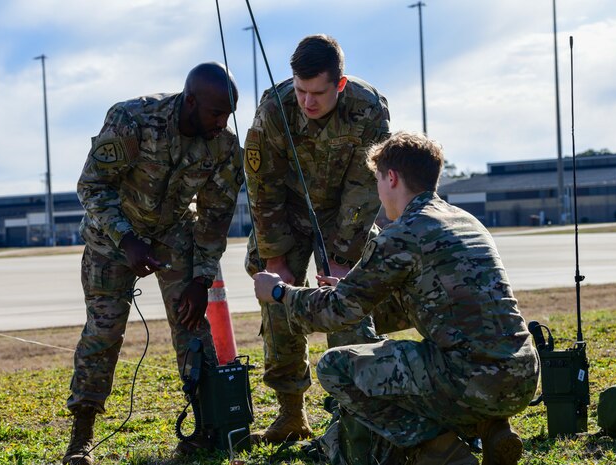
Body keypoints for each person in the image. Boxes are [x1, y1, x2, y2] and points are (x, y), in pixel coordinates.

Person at [253, 132, 540, 465]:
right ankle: (486, 425)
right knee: (409, 363)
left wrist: (278, 292)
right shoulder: (465, 221)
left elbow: (336, 312)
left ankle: (438, 449)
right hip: (521, 375)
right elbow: (432, 300)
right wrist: (354, 286)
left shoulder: (403, 232)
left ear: (391, 178)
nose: (377, 190)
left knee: (335, 368)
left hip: (469, 377)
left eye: (377, 180)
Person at [62, 62, 243, 465]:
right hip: (112, 240)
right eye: (216, 112)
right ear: (190, 101)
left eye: (228, 114)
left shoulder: (225, 147)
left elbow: (215, 219)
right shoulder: (133, 120)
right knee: (103, 331)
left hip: (172, 236)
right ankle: (81, 438)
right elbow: (92, 187)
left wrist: (202, 279)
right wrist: (126, 241)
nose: (222, 122)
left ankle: (206, 427)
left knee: (194, 325)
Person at [244, 34, 391, 443]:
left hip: (344, 213)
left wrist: (343, 256)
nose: (308, 101)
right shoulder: (275, 107)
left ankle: (355, 414)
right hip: (284, 212)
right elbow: (261, 184)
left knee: (346, 299)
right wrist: (274, 255)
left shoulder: (367, 107)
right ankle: (291, 415)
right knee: (275, 301)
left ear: (339, 85)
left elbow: (365, 186)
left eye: (318, 93)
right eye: (301, 90)